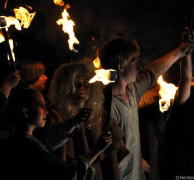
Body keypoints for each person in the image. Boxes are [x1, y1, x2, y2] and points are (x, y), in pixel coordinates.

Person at [98, 27, 193, 180]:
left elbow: (153, 70)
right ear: (120, 66)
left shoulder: (132, 90)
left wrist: (181, 50)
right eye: (134, 61)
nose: (138, 66)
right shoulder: (106, 106)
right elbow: (109, 152)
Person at [34, 60, 128, 180]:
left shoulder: (99, 115)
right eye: (76, 84)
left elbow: (117, 152)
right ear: (64, 87)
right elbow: (48, 143)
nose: (82, 87)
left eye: (85, 83)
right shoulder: (53, 115)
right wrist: (73, 122)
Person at [0, 88, 112, 180]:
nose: (46, 110)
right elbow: (65, 173)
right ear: (26, 112)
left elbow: (49, 140)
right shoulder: (26, 145)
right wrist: (96, 150)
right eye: (41, 105)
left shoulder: (22, 138)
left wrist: (74, 121)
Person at [163, 28, 194, 179]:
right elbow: (186, 78)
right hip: (181, 170)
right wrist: (185, 48)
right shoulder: (183, 108)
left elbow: (187, 78)